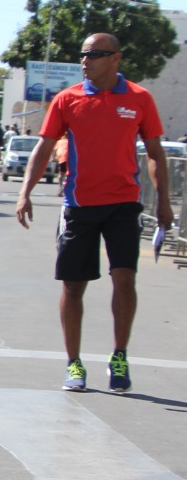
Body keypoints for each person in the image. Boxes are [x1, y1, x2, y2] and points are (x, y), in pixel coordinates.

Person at [14, 33, 173, 393]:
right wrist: (25, 192)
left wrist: (163, 200)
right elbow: (44, 148)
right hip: (79, 205)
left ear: (116, 58)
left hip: (123, 203)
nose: (86, 60)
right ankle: (74, 363)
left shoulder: (139, 98)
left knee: (125, 280)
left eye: (95, 54)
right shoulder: (67, 99)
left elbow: (155, 153)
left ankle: (119, 355)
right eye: (83, 54)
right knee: (73, 286)